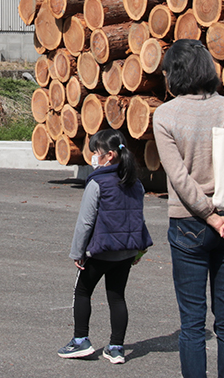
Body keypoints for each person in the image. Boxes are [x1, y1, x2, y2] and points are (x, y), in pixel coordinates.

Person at [152, 39, 224, 378]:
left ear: (175, 74)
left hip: (189, 223)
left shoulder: (165, 114)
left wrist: (210, 217)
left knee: (192, 324)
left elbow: (179, 178)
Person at [58, 129, 153, 365]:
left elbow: (86, 221)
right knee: (117, 297)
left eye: (96, 153)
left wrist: (77, 252)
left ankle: (81, 340)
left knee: (82, 292)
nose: (93, 157)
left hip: (100, 250)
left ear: (109, 155)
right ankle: (116, 347)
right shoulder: (135, 183)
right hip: (125, 253)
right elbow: (137, 219)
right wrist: (138, 250)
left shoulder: (98, 182)